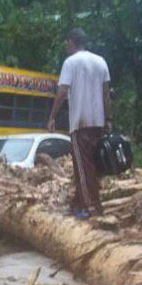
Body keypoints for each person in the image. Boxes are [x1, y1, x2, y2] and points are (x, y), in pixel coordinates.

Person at [47, 28, 112, 219]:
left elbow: (61, 91)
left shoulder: (71, 63)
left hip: (79, 123)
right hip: (98, 123)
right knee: (93, 166)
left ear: (72, 42)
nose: (66, 46)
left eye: (66, 42)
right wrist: (109, 119)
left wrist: (52, 116)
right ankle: (82, 203)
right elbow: (106, 93)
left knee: (82, 168)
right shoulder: (100, 61)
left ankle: (89, 207)